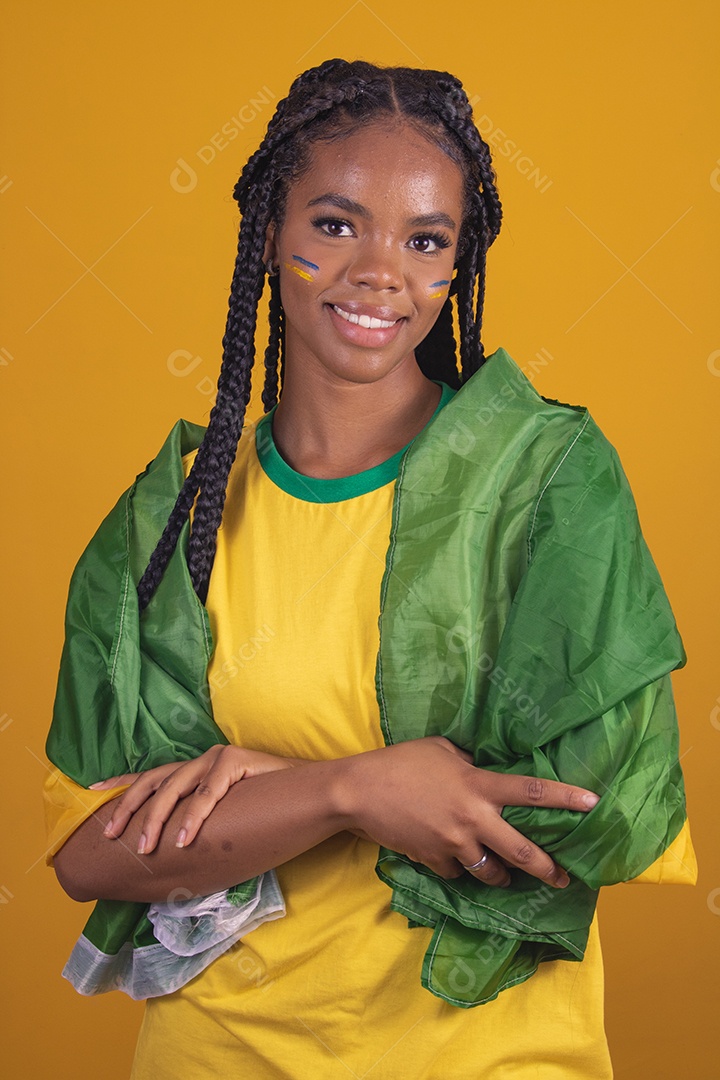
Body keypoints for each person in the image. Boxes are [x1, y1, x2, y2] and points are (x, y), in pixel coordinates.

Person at [45, 59, 696, 1078]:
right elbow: (94, 852)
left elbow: (590, 819)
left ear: (455, 264)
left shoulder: (546, 482)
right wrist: (346, 790)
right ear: (271, 231)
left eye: (427, 240)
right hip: (218, 1054)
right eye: (337, 225)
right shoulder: (175, 516)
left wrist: (257, 793)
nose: (383, 273)